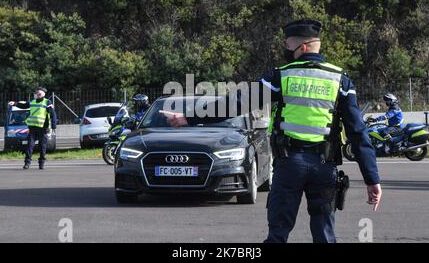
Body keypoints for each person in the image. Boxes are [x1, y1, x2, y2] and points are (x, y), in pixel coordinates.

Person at [164, 19, 382, 243]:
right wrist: (371, 179)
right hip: (324, 167)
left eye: (288, 46)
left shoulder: (281, 77)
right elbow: (358, 133)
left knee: (278, 234)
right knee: (325, 234)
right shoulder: (341, 81)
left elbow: (238, 102)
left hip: (289, 166)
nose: (285, 50)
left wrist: (190, 117)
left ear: (303, 47)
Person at [8, 87, 57, 170]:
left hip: (43, 128)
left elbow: (53, 114)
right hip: (33, 128)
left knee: (42, 146)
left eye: (40, 92)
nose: (38, 93)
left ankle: (41, 163)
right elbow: (24, 105)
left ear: (44, 94)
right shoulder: (32, 101)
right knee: (30, 145)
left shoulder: (47, 102)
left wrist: (53, 126)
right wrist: (15, 103)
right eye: (37, 92)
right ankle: (27, 163)